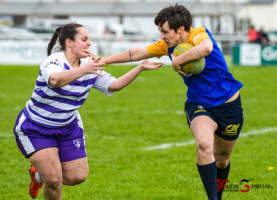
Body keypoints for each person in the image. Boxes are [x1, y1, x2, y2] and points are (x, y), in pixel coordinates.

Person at [101, 4, 244, 200]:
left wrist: (178, 60)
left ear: (181, 30)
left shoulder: (199, 34)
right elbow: (135, 53)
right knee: (203, 144)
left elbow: (206, 47)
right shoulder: (167, 46)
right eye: (160, 31)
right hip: (199, 104)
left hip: (229, 105)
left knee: (222, 159)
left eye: (165, 31)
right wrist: (104, 60)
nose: (161, 36)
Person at [13, 23, 163, 200]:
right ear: (69, 42)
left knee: (77, 176)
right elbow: (55, 80)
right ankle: (46, 175)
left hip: (68, 127)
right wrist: (85, 69)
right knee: (53, 180)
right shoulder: (54, 61)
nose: (89, 43)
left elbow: (114, 85)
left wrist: (139, 68)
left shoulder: (89, 66)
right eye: (84, 39)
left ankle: (38, 174)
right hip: (36, 128)